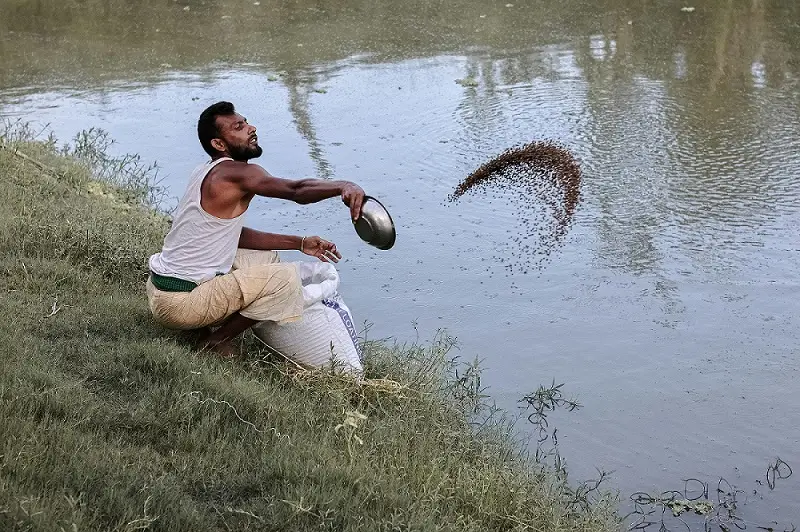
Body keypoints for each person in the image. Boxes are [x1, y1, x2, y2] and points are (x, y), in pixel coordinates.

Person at [146, 101, 365, 357]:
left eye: (246, 122)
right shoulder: (239, 173)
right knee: (285, 279)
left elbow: (229, 235)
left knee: (264, 259)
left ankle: (201, 328)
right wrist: (342, 186)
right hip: (180, 305)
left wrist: (300, 242)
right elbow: (296, 190)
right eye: (239, 127)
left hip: (160, 292)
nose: (251, 128)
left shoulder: (205, 170)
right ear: (219, 144)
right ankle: (215, 343)